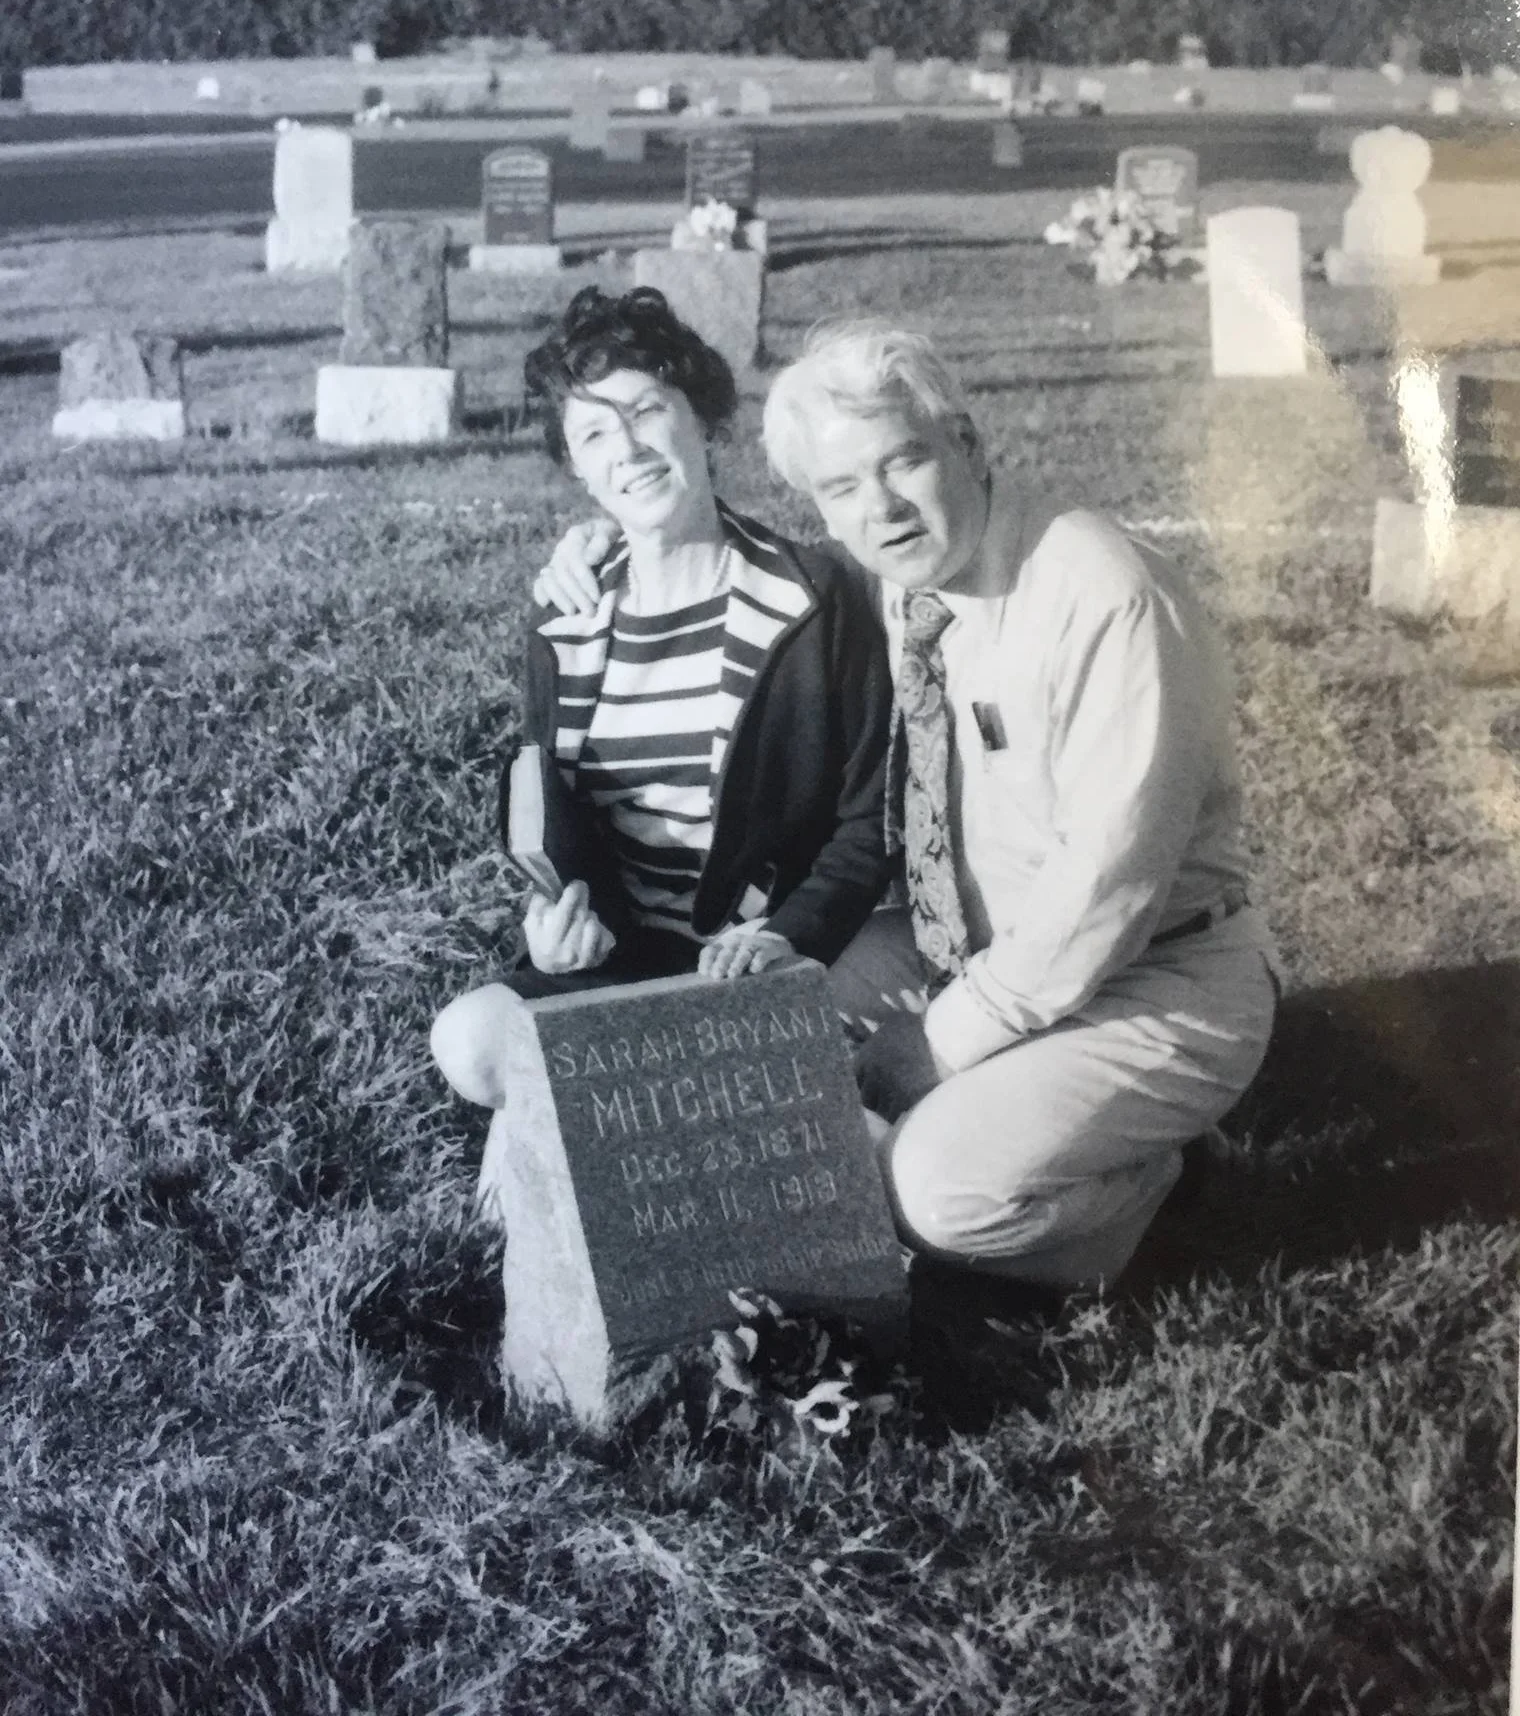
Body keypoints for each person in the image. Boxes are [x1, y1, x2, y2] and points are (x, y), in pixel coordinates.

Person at [534, 317, 1278, 1288]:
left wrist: (940, 1039)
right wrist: (599, 541)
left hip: (1158, 972)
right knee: (761, 1017)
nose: (878, 507)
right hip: (970, 945)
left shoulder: (1099, 591)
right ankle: (1009, 1124)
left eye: (902, 462)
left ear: (964, 443)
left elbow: (1110, 889)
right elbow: (734, 560)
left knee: (928, 1192)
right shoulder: (894, 582)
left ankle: (1148, 1188)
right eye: (840, 488)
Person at [429, 287, 896, 1122]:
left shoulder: (814, 599)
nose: (630, 450)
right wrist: (556, 927)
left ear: (702, 416)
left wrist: (785, 934)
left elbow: (869, 826)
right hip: (627, 960)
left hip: (766, 959)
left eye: (647, 411)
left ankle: (617, 1116)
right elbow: (555, 827)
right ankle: (695, 1103)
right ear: (575, 464)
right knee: (469, 1040)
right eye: (596, 433)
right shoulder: (562, 622)